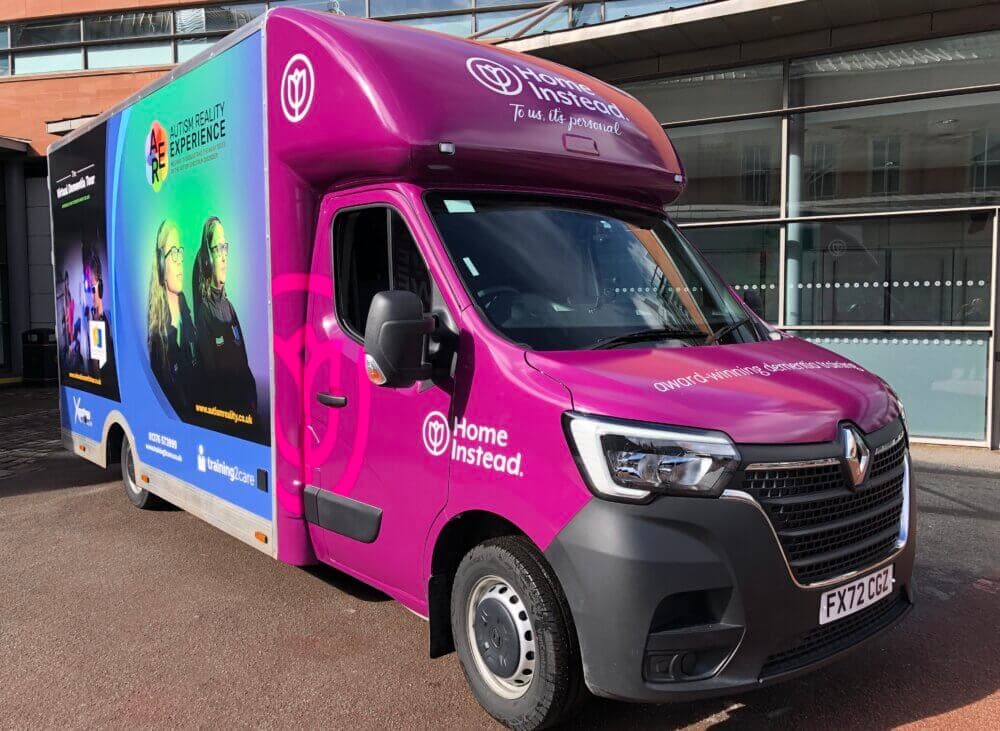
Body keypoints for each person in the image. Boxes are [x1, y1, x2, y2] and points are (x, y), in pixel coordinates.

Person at [192, 217, 258, 429]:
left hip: (245, 417)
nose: (223, 256)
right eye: (217, 248)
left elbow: (244, 363)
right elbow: (213, 378)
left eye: (225, 248)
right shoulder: (204, 314)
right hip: (227, 421)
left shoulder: (230, 308)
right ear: (207, 259)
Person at [147, 219, 198, 419]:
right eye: (173, 253)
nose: (180, 261)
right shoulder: (157, 336)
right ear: (161, 265)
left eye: (180, 252)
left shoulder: (187, 314)